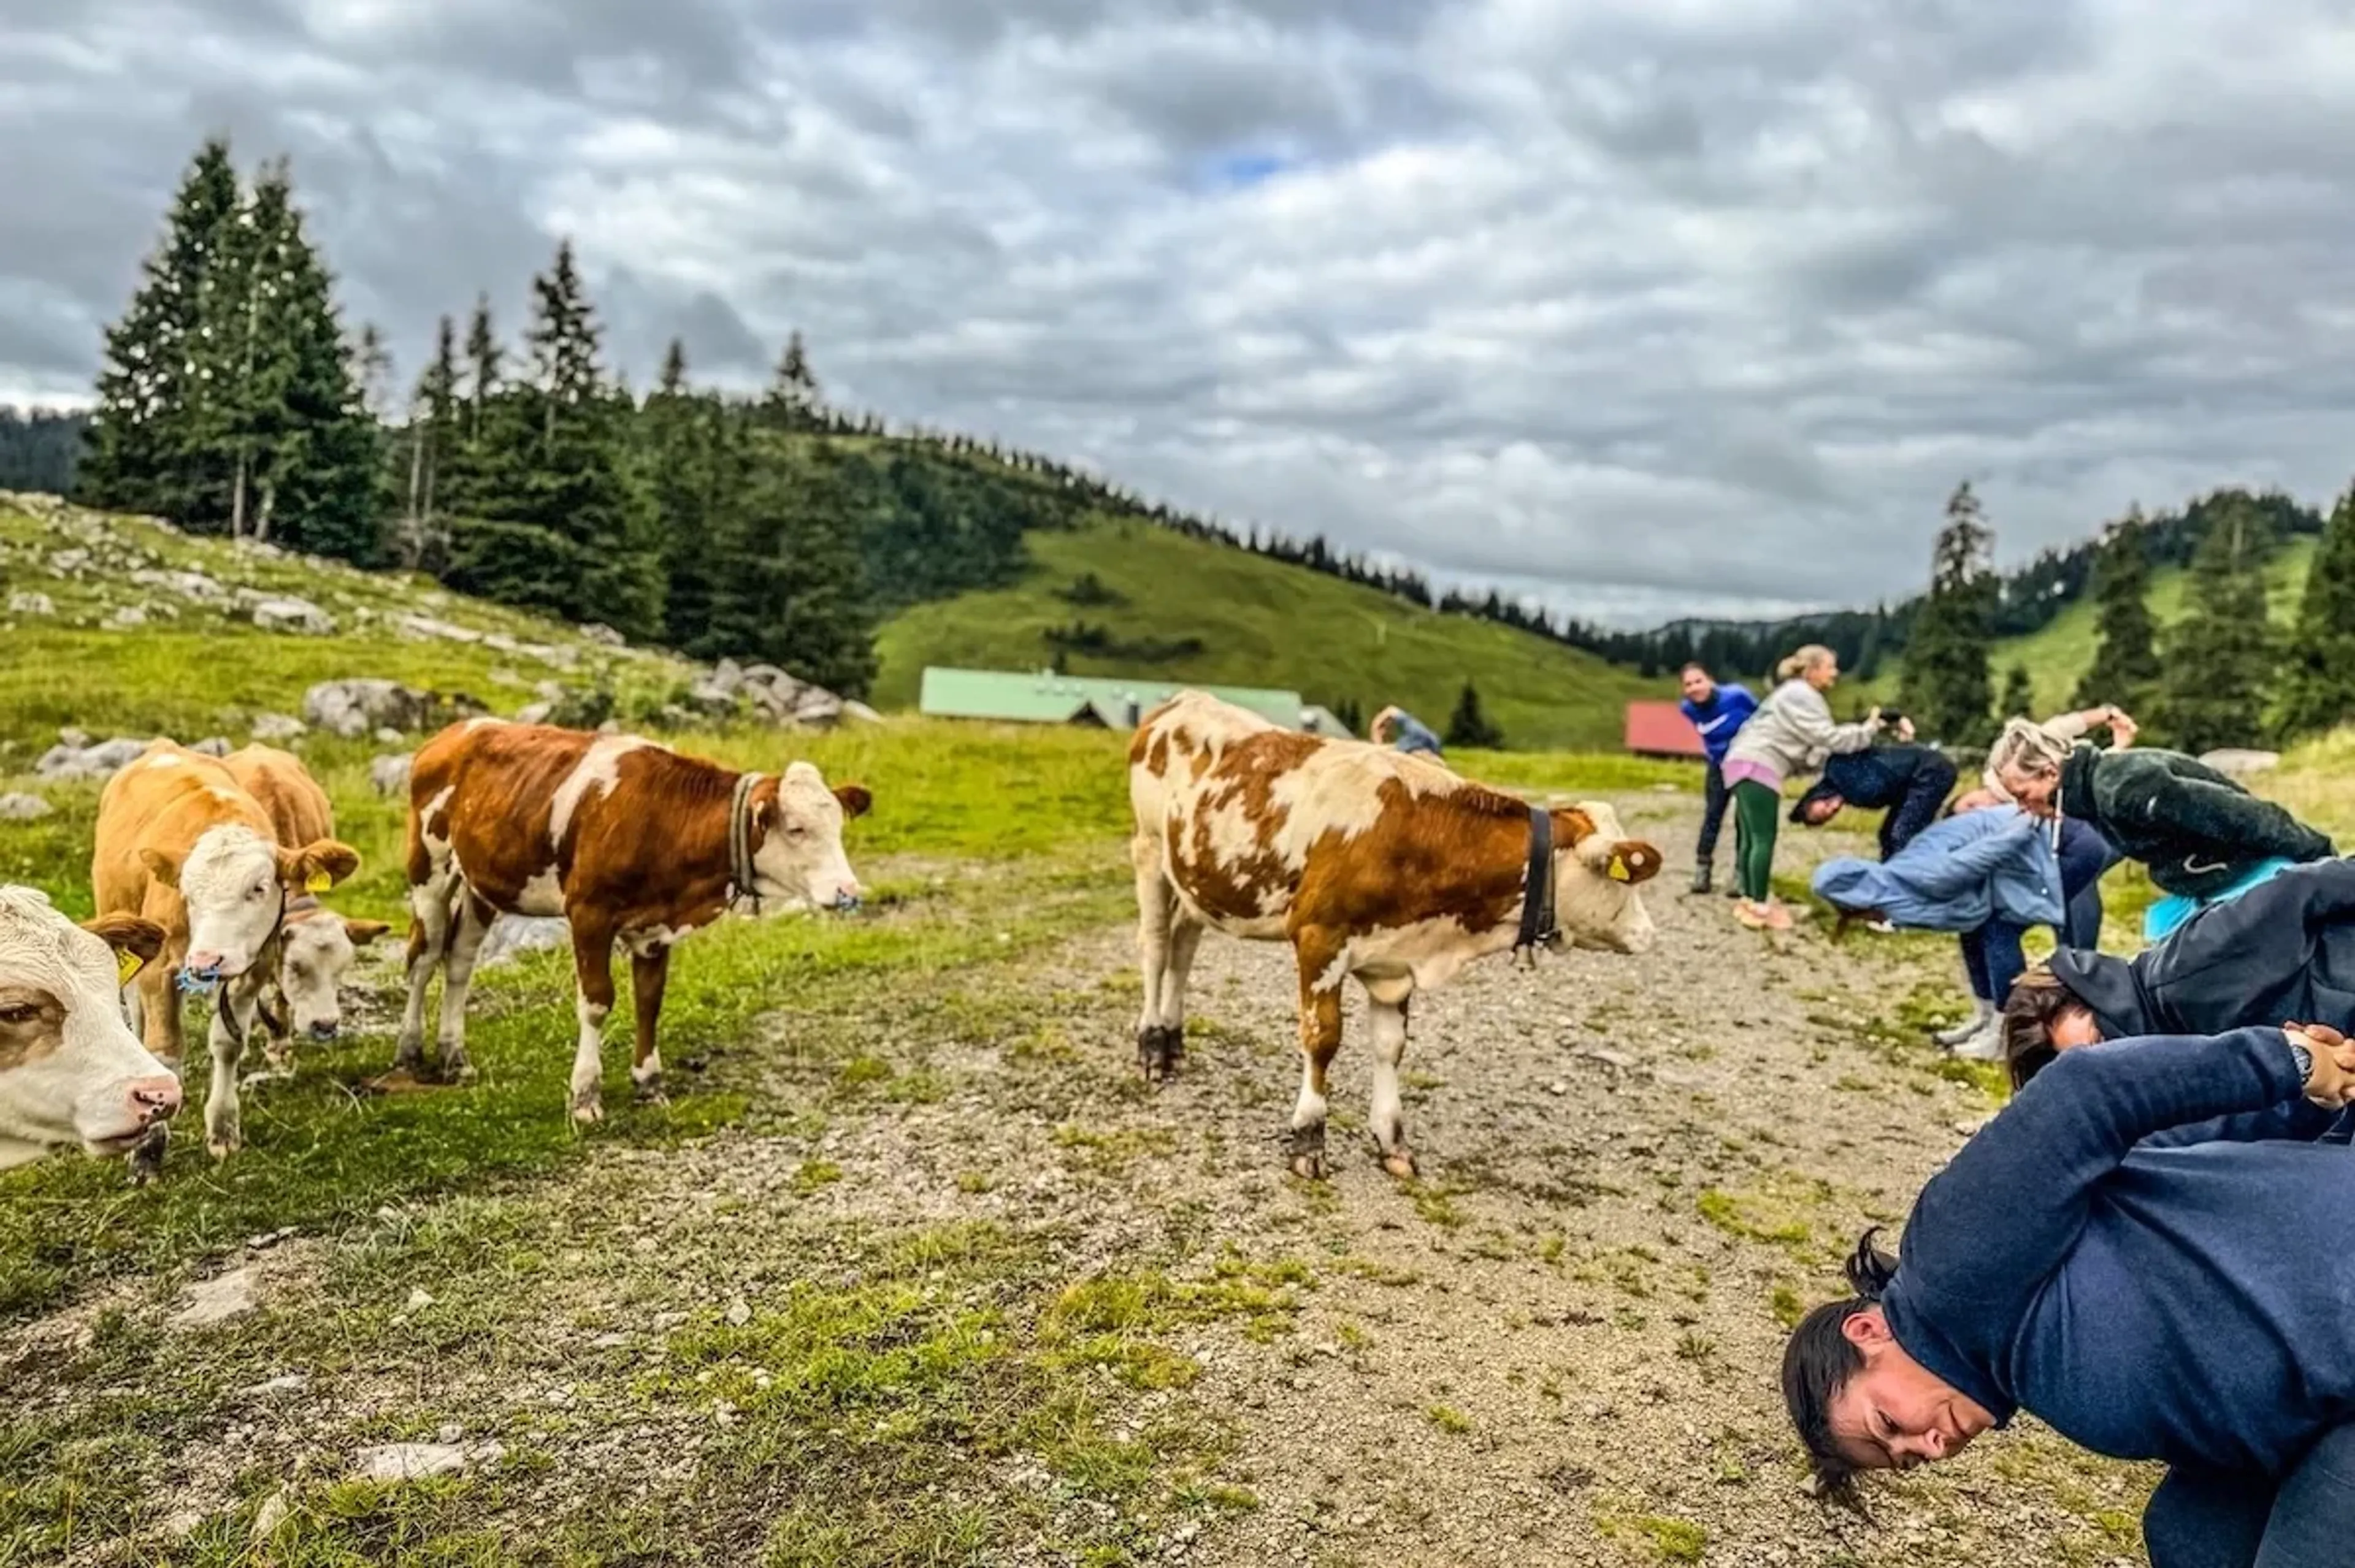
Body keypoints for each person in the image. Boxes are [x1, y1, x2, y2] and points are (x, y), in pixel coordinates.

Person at [1782, 1020, 2355, 1566]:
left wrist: (2290, 1064)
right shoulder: (2002, 1357)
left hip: (2340, 1314)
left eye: (1890, 1424)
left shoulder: (1949, 1268)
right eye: (1908, 1460)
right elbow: (2163, 1156)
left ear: (1867, 1331)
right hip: (2319, 1401)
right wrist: (2302, 1109)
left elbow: (2088, 1093)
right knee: (2190, 1530)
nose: (1931, 1447)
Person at [2001, 855, 2355, 1096]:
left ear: (2097, 993)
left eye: (2098, 1039)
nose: (2108, 1057)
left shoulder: (2184, 970)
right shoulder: (2174, 1055)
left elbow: (2304, 888)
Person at [1986, 717, 2334, 942]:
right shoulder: (2093, 793)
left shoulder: (2127, 789)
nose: (2023, 806)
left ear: (2050, 773)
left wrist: (2322, 859)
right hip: (2203, 882)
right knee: (2160, 939)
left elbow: (2245, 815)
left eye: (2023, 795)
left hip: (2250, 869)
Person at [1810, 800, 2062, 1060]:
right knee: (1974, 936)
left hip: (2033, 840)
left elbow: (1982, 855)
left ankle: (2006, 1034)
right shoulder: (1894, 888)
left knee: (1998, 935)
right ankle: (1987, 1019)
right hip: (2011, 854)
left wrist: (2028, 821)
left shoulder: (1920, 876)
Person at [1720, 645, 1890, 931]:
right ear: (1812, 670)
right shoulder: (1803, 695)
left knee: (1750, 836)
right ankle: (1760, 906)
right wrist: (1869, 730)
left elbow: (1809, 748)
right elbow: (1828, 737)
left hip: (1742, 760)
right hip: (1760, 763)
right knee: (1763, 837)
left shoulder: (1788, 693)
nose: (1835, 672)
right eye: (1830, 666)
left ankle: (1750, 899)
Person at [1788, 742, 1959, 862]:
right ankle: (1890, 879)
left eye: (1826, 804)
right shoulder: (1850, 792)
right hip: (1915, 781)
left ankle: (1912, 885)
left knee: (1902, 834)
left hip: (1931, 772)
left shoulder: (1839, 771)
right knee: (1887, 835)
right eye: (1831, 814)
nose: (1834, 807)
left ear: (1818, 794)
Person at [1675, 664, 1758, 895]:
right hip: (1717, 767)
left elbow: (1762, 717)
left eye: (1698, 681)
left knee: (1745, 819)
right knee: (1712, 815)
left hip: (1746, 764)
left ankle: (1741, 875)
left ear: (1711, 681)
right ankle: (1703, 872)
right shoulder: (1688, 709)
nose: (1694, 688)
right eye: (1688, 684)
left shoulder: (1737, 696)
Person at [1369, 706, 1442, 759]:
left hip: (1416, 735)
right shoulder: (1409, 721)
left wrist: (1377, 742)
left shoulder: (1389, 711)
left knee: (1391, 750)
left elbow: (1375, 726)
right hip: (1428, 736)